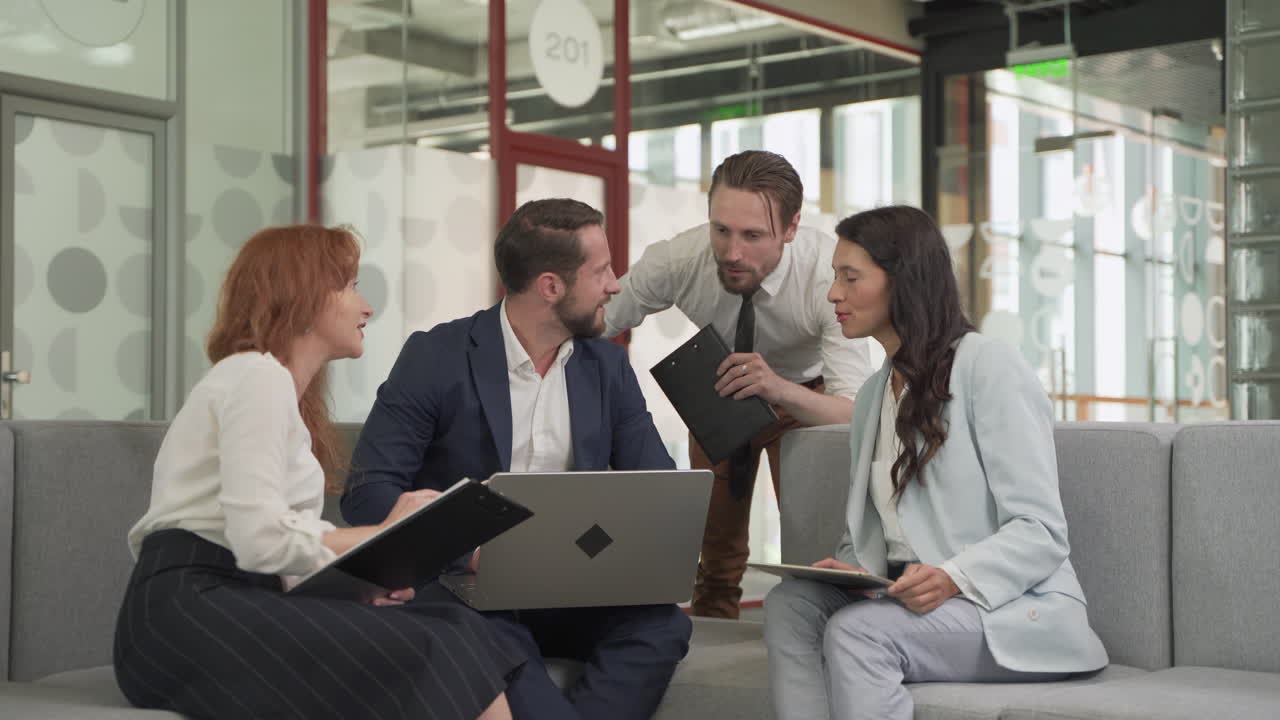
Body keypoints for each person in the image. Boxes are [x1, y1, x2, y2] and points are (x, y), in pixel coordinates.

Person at [114, 225, 521, 720]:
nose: (366, 307)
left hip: (235, 599)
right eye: (351, 286)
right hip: (187, 613)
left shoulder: (275, 391)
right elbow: (260, 539)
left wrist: (364, 577)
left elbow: (274, 550)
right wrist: (384, 533)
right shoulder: (255, 377)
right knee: (436, 646)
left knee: (459, 628)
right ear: (305, 297)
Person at [342, 198, 691, 720]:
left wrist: (644, 559)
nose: (615, 285)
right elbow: (368, 493)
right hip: (467, 590)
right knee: (484, 634)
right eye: (600, 271)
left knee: (661, 623)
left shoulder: (609, 368)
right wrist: (471, 555)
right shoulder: (436, 356)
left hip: (578, 586)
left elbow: (662, 490)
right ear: (551, 287)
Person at [763, 205, 1108, 720]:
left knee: (857, 633)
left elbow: (1041, 530)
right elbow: (883, 531)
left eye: (850, 277)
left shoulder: (988, 367)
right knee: (789, 605)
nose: (833, 294)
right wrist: (854, 570)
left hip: (1009, 611)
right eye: (834, 277)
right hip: (910, 601)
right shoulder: (872, 397)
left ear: (902, 282)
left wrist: (951, 577)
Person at [604, 150, 875, 619]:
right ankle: (706, 654)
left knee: (811, 540)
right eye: (721, 230)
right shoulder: (679, 260)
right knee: (716, 551)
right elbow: (595, 322)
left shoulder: (826, 277)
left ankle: (817, 633)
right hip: (723, 384)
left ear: (790, 230)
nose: (732, 253)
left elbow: (854, 409)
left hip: (805, 396)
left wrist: (778, 388)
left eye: (753, 236)